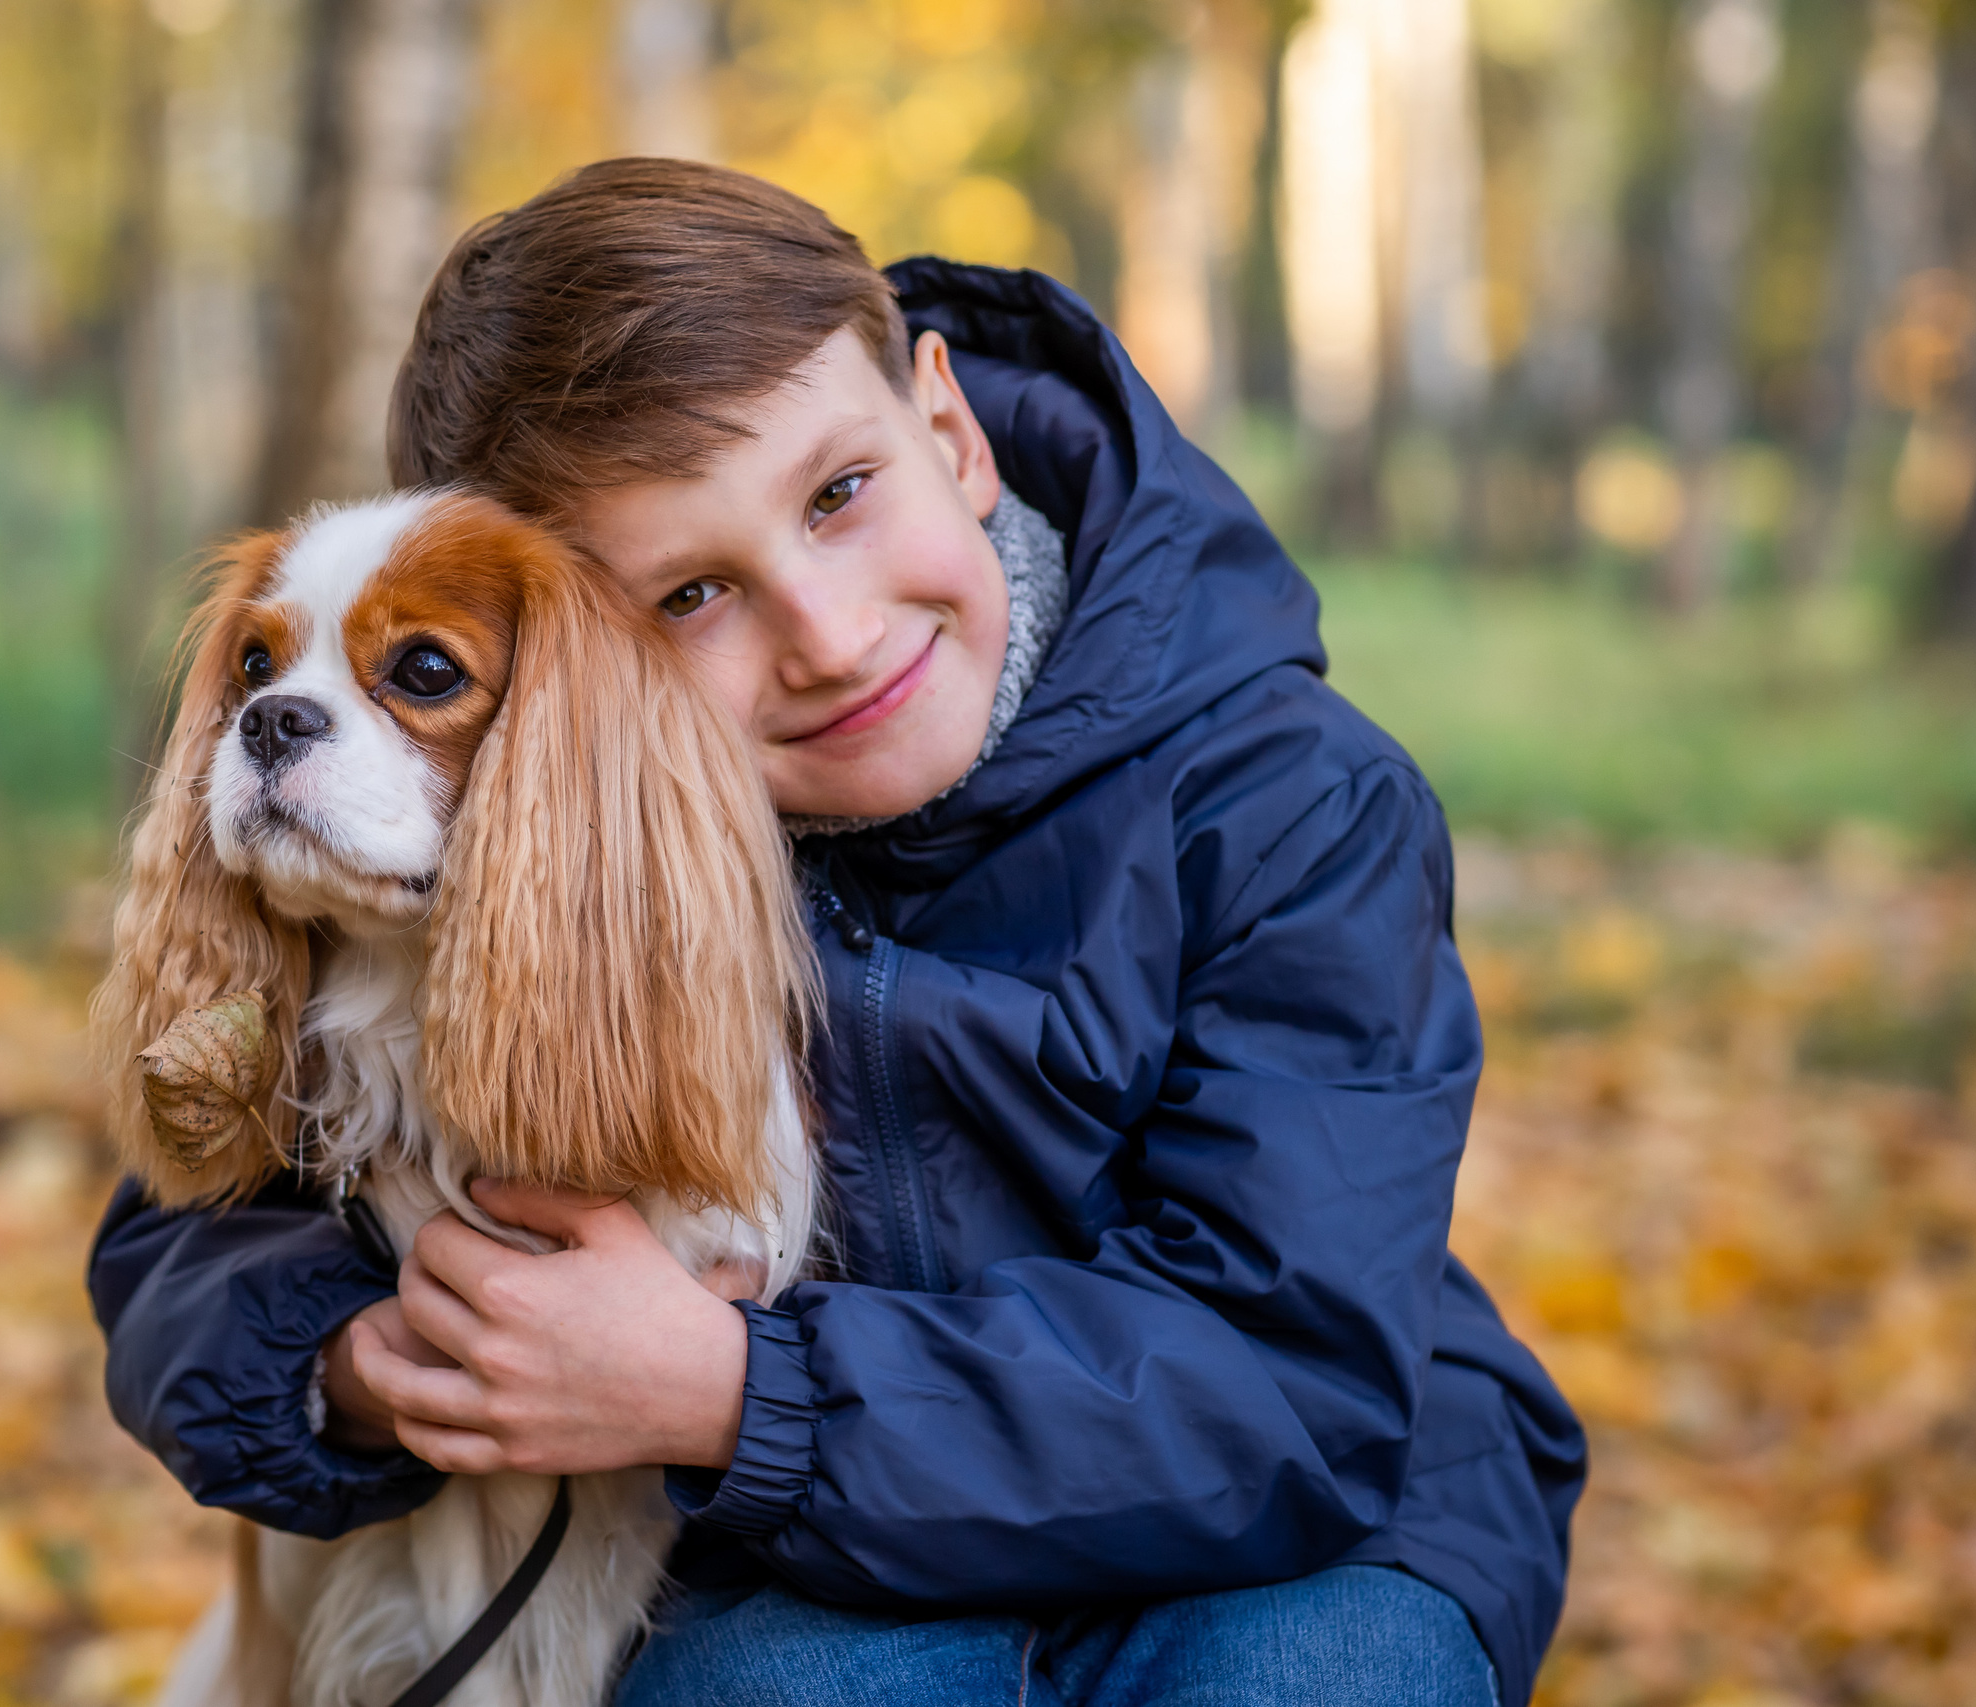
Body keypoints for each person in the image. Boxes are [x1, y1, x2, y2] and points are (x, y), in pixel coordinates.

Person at [89, 159, 1586, 1707]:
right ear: (581, 676)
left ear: (949, 426)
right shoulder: (581, 836)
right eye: (689, 596)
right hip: (823, 1554)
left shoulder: (1298, 805)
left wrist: (732, 1393)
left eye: (839, 494)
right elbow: (176, 1240)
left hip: (1310, 1529)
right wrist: (355, 1359)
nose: (827, 632)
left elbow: (1293, 1386)